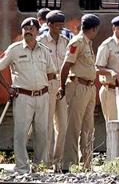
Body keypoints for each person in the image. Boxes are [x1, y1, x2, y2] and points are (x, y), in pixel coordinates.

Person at [0, 17, 56, 173]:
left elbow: (51, 72)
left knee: (42, 133)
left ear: (37, 32)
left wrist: (48, 89)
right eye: (25, 28)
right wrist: (8, 87)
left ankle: (40, 167)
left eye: (32, 29)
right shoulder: (14, 49)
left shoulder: (44, 50)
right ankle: (22, 167)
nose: (28, 31)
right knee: (21, 133)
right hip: (23, 96)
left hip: (43, 96)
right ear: (22, 31)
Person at [57, 14, 102, 172]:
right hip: (78, 86)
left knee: (88, 127)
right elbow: (66, 66)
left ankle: (86, 164)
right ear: (94, 29)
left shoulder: (87, 42)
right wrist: (62, 87)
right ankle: (68, 164)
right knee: (73, 126)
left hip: (89, 88)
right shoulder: (78, 42)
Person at [37, 10, 71, 171]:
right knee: (47, 124)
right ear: (48, 24)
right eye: (56, 25)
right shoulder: (41, 41)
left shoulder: (65, 41)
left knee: (63, 125)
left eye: (61, 25)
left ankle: (58, 161)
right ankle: (46, 161)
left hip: (62, 83)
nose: (59, 28)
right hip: (48, 83)